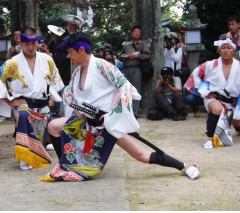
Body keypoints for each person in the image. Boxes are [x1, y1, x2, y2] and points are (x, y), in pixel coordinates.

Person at [40, 32, 199, 182]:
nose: (69, 56)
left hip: (108, 123)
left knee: (141, 155)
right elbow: (72, 96)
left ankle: (183, 166)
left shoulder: (103, 66)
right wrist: (78, 111)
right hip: (87, 121)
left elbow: (125, 88)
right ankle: (66, 165)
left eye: (70, 52)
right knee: (54, 126)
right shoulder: (76, 73)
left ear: (81, 50)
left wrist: (112, 114)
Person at [0, 28, 64, 170]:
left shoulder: (47, 59)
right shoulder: (12, 62)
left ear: (38, 43)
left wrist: (52, 97)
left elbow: (55, 81)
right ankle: (24, 157)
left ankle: (38, 150)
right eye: (27, 43)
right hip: (24, 102)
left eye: (34, 43)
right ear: (21, 43)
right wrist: (10, 102)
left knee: (41, 139)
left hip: (43, 104)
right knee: (22, 116)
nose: (30, 47)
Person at [185, 38, 240, 148]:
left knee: (237, 122)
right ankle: (210, 138)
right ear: (219, 51)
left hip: (233, 101)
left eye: (229, 48)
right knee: (217, 109)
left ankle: (236, 126)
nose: (225, 50)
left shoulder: (238, 66)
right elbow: (195, 75)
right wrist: (204, 91)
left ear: (234, 51)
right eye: (223, 48)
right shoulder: (210, 65)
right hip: (214, 98)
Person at [118, 25, 151, 117]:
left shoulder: (143, 44)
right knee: (125, 90)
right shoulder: (126, 44)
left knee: (136, 90)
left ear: (140, 34)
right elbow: (120, 56)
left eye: (139, 32)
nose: (137, 33)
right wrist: (124, 57)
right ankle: (125, 111)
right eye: (135, 31)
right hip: (125, 69)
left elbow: (147, 55)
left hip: (136, 68)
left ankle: (134, 113)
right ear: (131, 33)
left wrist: (137, 56)